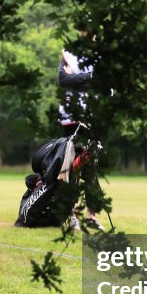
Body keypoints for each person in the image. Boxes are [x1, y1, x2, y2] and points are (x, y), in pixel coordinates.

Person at [57, 48, 102, 231]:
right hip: (70, 118)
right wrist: (89, 77)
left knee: (91, 168)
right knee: (73, 165)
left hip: (92, 117)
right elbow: (63, 80)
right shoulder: (68, 54)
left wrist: (77, 77)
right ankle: (73, 214)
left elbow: (102, 82)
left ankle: (91, 216)